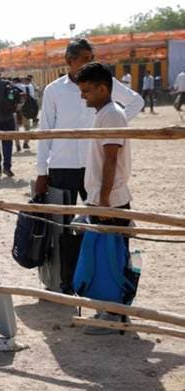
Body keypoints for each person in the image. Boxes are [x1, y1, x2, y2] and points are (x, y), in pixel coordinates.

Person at [34, 38, 143, 293]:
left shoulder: (104, 84)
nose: (89, 62)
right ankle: (66, 280)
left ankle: (99, 283)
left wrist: (112, 128)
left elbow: (135, 102)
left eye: (92, 58)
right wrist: (42, 170)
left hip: (97, 168)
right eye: (85, 58)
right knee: (63, 226)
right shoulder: (54, 90)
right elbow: (45, 130)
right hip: (63, 165)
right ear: (69, 61)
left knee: (100, 227)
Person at [76, 62, 134, 334]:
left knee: (110, 258)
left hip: (110, 200)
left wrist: (104, 201)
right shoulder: (105, 113)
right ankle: (109, 310)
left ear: (103, 88)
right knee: (101, 257)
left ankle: (113, 314)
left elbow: (111, 160)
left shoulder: (112, 114)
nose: (82, 96)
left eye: (87, 90)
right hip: (102, 197)